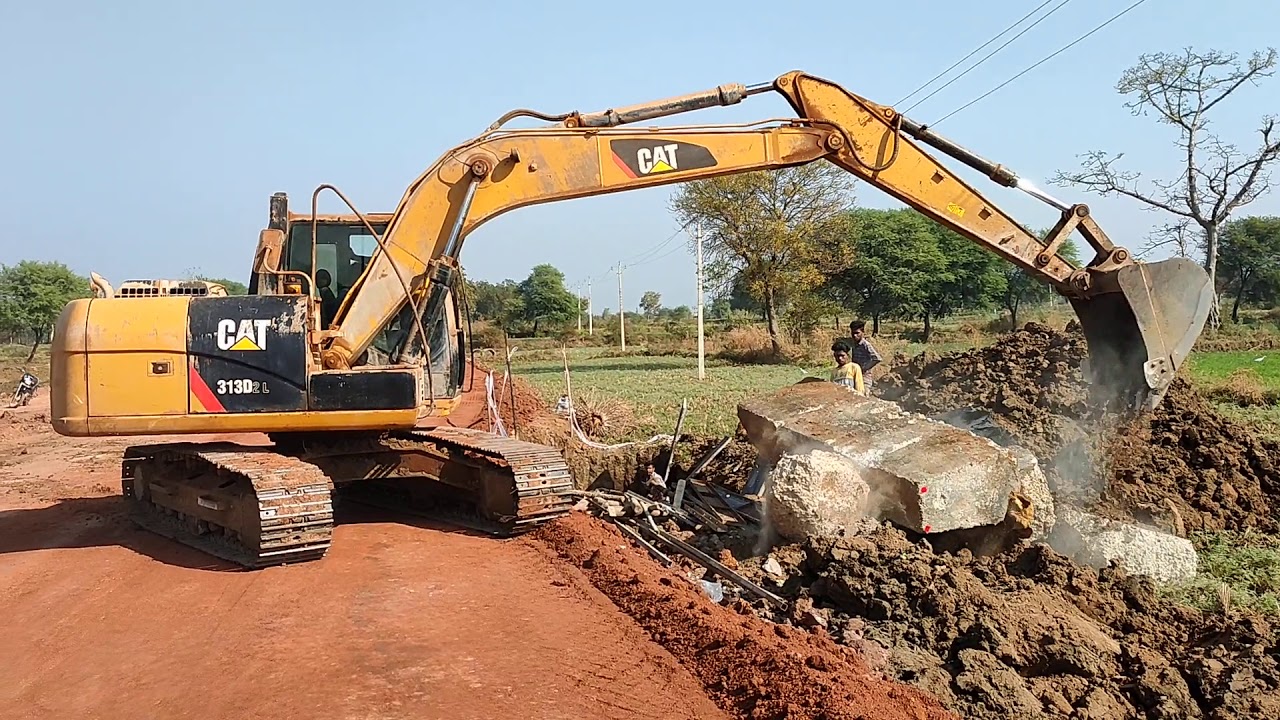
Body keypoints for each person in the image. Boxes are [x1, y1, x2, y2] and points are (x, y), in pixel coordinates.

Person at [848, 319, 882, 390]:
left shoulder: (865, 345)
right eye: (853, 333)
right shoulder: (854, 344)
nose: (854, 335)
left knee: (864, 394)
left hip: (864, 377)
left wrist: (865, 368)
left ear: (863, 332)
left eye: (857, 333)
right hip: (855, 375)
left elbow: (877, 358)